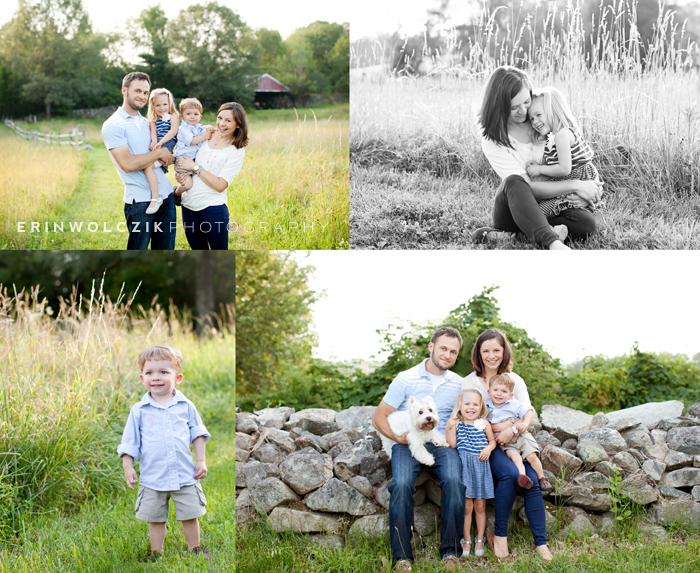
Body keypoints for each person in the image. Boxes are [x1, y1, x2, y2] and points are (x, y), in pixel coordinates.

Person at [476, 66, 604, 250]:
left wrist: (589, 189)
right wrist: (577, 185)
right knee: (514, 181)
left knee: (584, 224)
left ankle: (518, 236)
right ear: (500, 106)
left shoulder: (542, 118)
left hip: (551, 205)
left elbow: (579, 158)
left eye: (526, 101)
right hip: (516, 208)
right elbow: (530, 188)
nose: (523, 111)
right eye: (513, 107)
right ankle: (553, 243)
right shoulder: (493, 141)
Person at [371, 327, 465, 573]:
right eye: (443, 348)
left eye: (453, 352)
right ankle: (402, 557)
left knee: (455, 481)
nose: (447, 355)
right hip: (407, 441)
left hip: (440, 441)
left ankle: (451, 553)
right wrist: (396, 438)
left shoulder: (459, 383)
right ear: (431, 346)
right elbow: (379, 416)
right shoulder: (405, 378)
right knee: (401, 485)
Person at [461, 328, 553, 562]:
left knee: (530, 479)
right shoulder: (470, 381)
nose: (491, 355)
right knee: (512, 474)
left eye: (497, 350)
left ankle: (541, 543)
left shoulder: (515, 380)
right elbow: (467, 416)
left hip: (514, 440)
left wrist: (512, 429)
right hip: (485, 444)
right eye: (486, 350)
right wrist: (499, 429)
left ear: (504, 352)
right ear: (478, 353)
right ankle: (499, 535)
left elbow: (528, 413)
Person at [118, 344, 210, 559]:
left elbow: (197, 433)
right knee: (156, 518)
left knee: (190, 514)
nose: (156, 377)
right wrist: (128, 465)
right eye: (150, 373)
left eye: (163, 372)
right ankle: (156, 552)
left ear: (177, 378)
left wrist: (201, 460)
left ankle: (195, 548)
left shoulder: (186, 406)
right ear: (142, 378)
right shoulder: (139, 410)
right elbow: (130, 441)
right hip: (153, 476)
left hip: (185, 474)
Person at [102, 71, 177, 250]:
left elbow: (167, 156)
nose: (142, 96)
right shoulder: (113, 125)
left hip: (166, 199)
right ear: (124, 90)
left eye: (145, 92)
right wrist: (159, 155)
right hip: (140, 204)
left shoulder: (148, 123)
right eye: (137, 91)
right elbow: (127, 164)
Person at [174, 102, 248, 250]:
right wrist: (181, 174)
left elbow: (220, 185)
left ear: (238, 124)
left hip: (213, 209)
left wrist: (195, 168)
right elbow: (185, 150)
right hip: (188, 207)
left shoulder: (236, 151)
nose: (221, 123)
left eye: (228, 120)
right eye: (220, 118)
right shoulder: (207, 134)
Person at [525, 87, 602, 218]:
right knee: (542, 206)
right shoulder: (553, 137)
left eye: (538, 115)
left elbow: (564, 169)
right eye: (531, 118)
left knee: (540, 210)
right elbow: (553, 162)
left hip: (576, 178)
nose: (535, 122)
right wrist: (538, 165)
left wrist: (540, 169)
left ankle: (547, 229)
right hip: (571, 180)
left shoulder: (562, 135)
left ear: (554, 111)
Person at [445, 388, 495, 559]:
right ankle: (466, 539)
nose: (471, 407)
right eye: (467, 403)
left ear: (481, 406)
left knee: (480, 506)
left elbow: (492, 441)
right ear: (460, 405)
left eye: (475, 404)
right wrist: (447, 429)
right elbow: (452, 444)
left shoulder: (484, 423)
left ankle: (480, 538)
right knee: (467, 507)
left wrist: (488, 448)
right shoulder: (456, 423)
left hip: (481, 467)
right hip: (465, 467)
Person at [486, 373, 552, 492]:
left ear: (510, 395)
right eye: (495, 390)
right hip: (506, 443)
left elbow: (527, 412)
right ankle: (522, 477)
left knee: (531, 456)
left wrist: (525, 424)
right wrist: (501, 426)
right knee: (515, 457)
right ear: (488, 392)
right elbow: (483, 423)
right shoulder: (486, 407)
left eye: (504, 391)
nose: (499, 394)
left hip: (520, 436)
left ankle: (542, 478)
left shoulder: (513, 404)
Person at [143, 88, 179, 214]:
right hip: (159, 144)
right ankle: (156, 195)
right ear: (152, 106)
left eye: (165, 104)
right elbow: (153, 132)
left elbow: (173, 131)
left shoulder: (173, 116)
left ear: (170, 104)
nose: (162, 107)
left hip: (167, 143)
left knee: (148, 167)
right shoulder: (153, 119)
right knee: (147, 167)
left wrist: (161, 142)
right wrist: (154, 142)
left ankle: (155, 197)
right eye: (158, 105)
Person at [173, 98, 214, 197]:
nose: (192, 117)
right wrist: (204, 137)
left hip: (193, 161)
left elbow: (204, 127)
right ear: (182, 117)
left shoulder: (197, 127)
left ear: (200, 117)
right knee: (188, 184)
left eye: (195, 114)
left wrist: (209, 127)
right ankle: (176, 193)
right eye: (188, 114)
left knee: (198, 182)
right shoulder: (183, 129)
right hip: (183, 161)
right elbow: (191, 141)